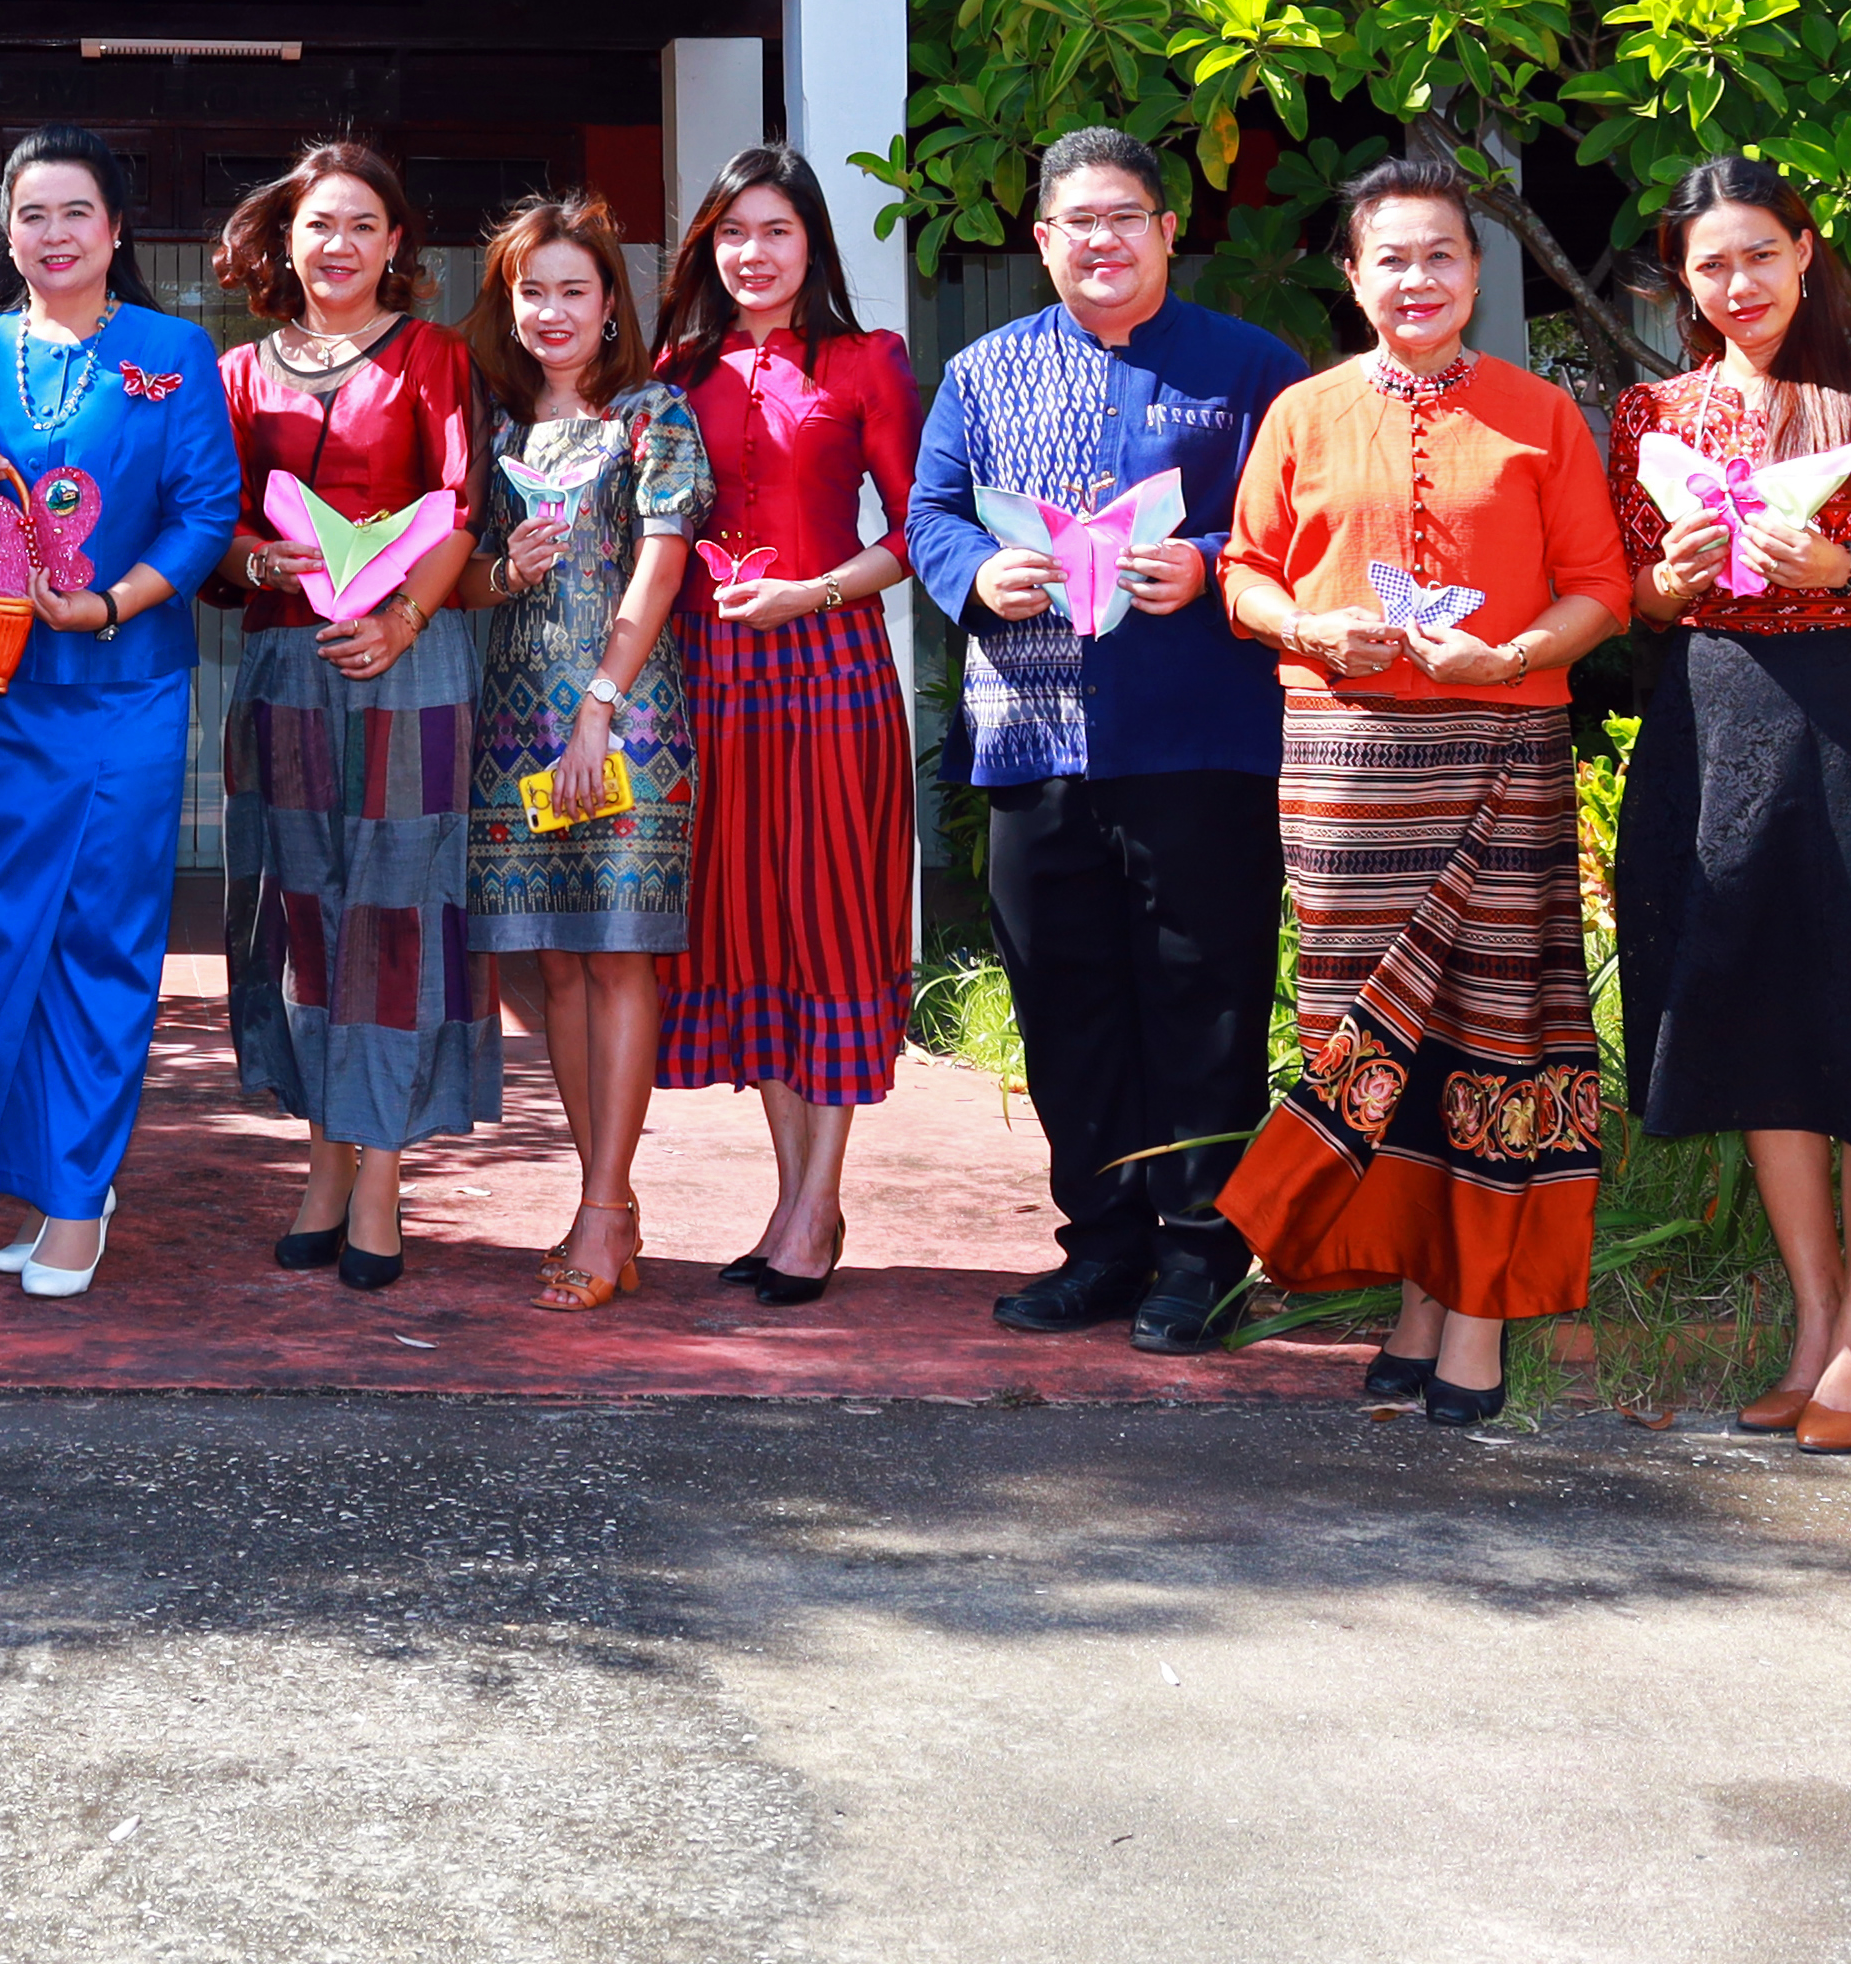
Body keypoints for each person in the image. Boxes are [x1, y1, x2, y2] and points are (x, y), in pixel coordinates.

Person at [1215, 158, 1634, 1422]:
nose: (1417, 278)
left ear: (1476, 270)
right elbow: (1243, 572)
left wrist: (1507, 655)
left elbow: (1601, 589)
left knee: (1496, 1031)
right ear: (1353, 277)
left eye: (1441, 253)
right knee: (1371, 1041)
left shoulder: (1540, 413)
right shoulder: (1303, 412)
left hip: (1502, 746)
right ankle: (1416, 1294)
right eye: (1390, 257)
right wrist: (1310, 625)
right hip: (1344, 765)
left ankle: (1478, 1315)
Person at [1603, 152, 1851, 1455]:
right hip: (1714, 722)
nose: (1740, 284)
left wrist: (1847, 563)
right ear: (1683, 281)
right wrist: (1671, 576)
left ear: (1806, 246)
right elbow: (1631, 596)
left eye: (1760, 254)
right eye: (1711, 265)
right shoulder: (1655, 413)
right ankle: (1813, 1321)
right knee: (1764, 1025)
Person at [901, 126, 1308, 1354]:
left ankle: (1201, 1253)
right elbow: (928, 513)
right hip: (1035, 738)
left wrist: (1212, 563)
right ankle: (1104, 1244)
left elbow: (1305, 522)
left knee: (1205, 998)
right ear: (1042, 240)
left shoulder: (1253, 367)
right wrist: (980, 572)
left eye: (1126, 214)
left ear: (1169, 229)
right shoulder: (983, 371)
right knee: (1066, 1003)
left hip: (1199, 737)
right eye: (1079, 220)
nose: (1104, 239)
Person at [0, 129, 241, 1297]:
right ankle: (55, 1172)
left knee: (99, 937)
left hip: (125, 685)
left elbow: (204, 513)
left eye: (76, 211)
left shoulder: (172, 350)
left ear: (116, 228)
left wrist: (108, 604)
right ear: (8, 232)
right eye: (32, 213)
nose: (54, 233)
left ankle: (79, 1202)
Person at [208, 138, 492, 1287]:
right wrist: (259, 562)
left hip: (408, 660)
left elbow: (461, 505)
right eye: (319, 222)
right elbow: (215, 527)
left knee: (397, 909)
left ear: (396, 242)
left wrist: (403, 618)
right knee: (301, 909)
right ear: (287, 239)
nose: (339, 243)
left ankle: (380, 1174)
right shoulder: (240, 372)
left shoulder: (433, 354)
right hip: (285, 659)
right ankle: (325, 1159)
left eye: (363, 223)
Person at [648, 148, 923, 1306]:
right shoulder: (675, 370)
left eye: (774, 230)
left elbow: (917, 530)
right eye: (730, 232)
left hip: (831, 667)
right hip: (711, 678)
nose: (751, 253)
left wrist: (812, 591)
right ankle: (794, 1197)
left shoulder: (868, 360)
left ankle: (818, 1203)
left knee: (832, 920)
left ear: (813, 240)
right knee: (750, 922)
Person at [462, 188, 713, 1311]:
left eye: (575, 289)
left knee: (616, 956)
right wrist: (501, 568)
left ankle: (604, 1209)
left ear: (611, 302)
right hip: (514, 729)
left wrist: (600, 703)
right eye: (534, 292)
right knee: (554, 962)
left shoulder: (655, 416)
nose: (553, 311)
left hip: (626, 722)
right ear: (510, 304)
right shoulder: (495, 429)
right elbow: (464, 581)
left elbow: (662, 564)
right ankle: (601, 1194)